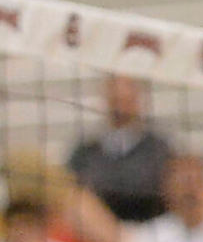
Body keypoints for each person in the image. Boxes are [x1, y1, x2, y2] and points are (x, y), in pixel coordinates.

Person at [68, 77, 175, 227]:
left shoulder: (160, 149)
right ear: (106, 100)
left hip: (151, 232)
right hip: (96, 235)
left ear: (137, 101)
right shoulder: (85, 151)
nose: (120, 109)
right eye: (115, 101)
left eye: (126, 101)